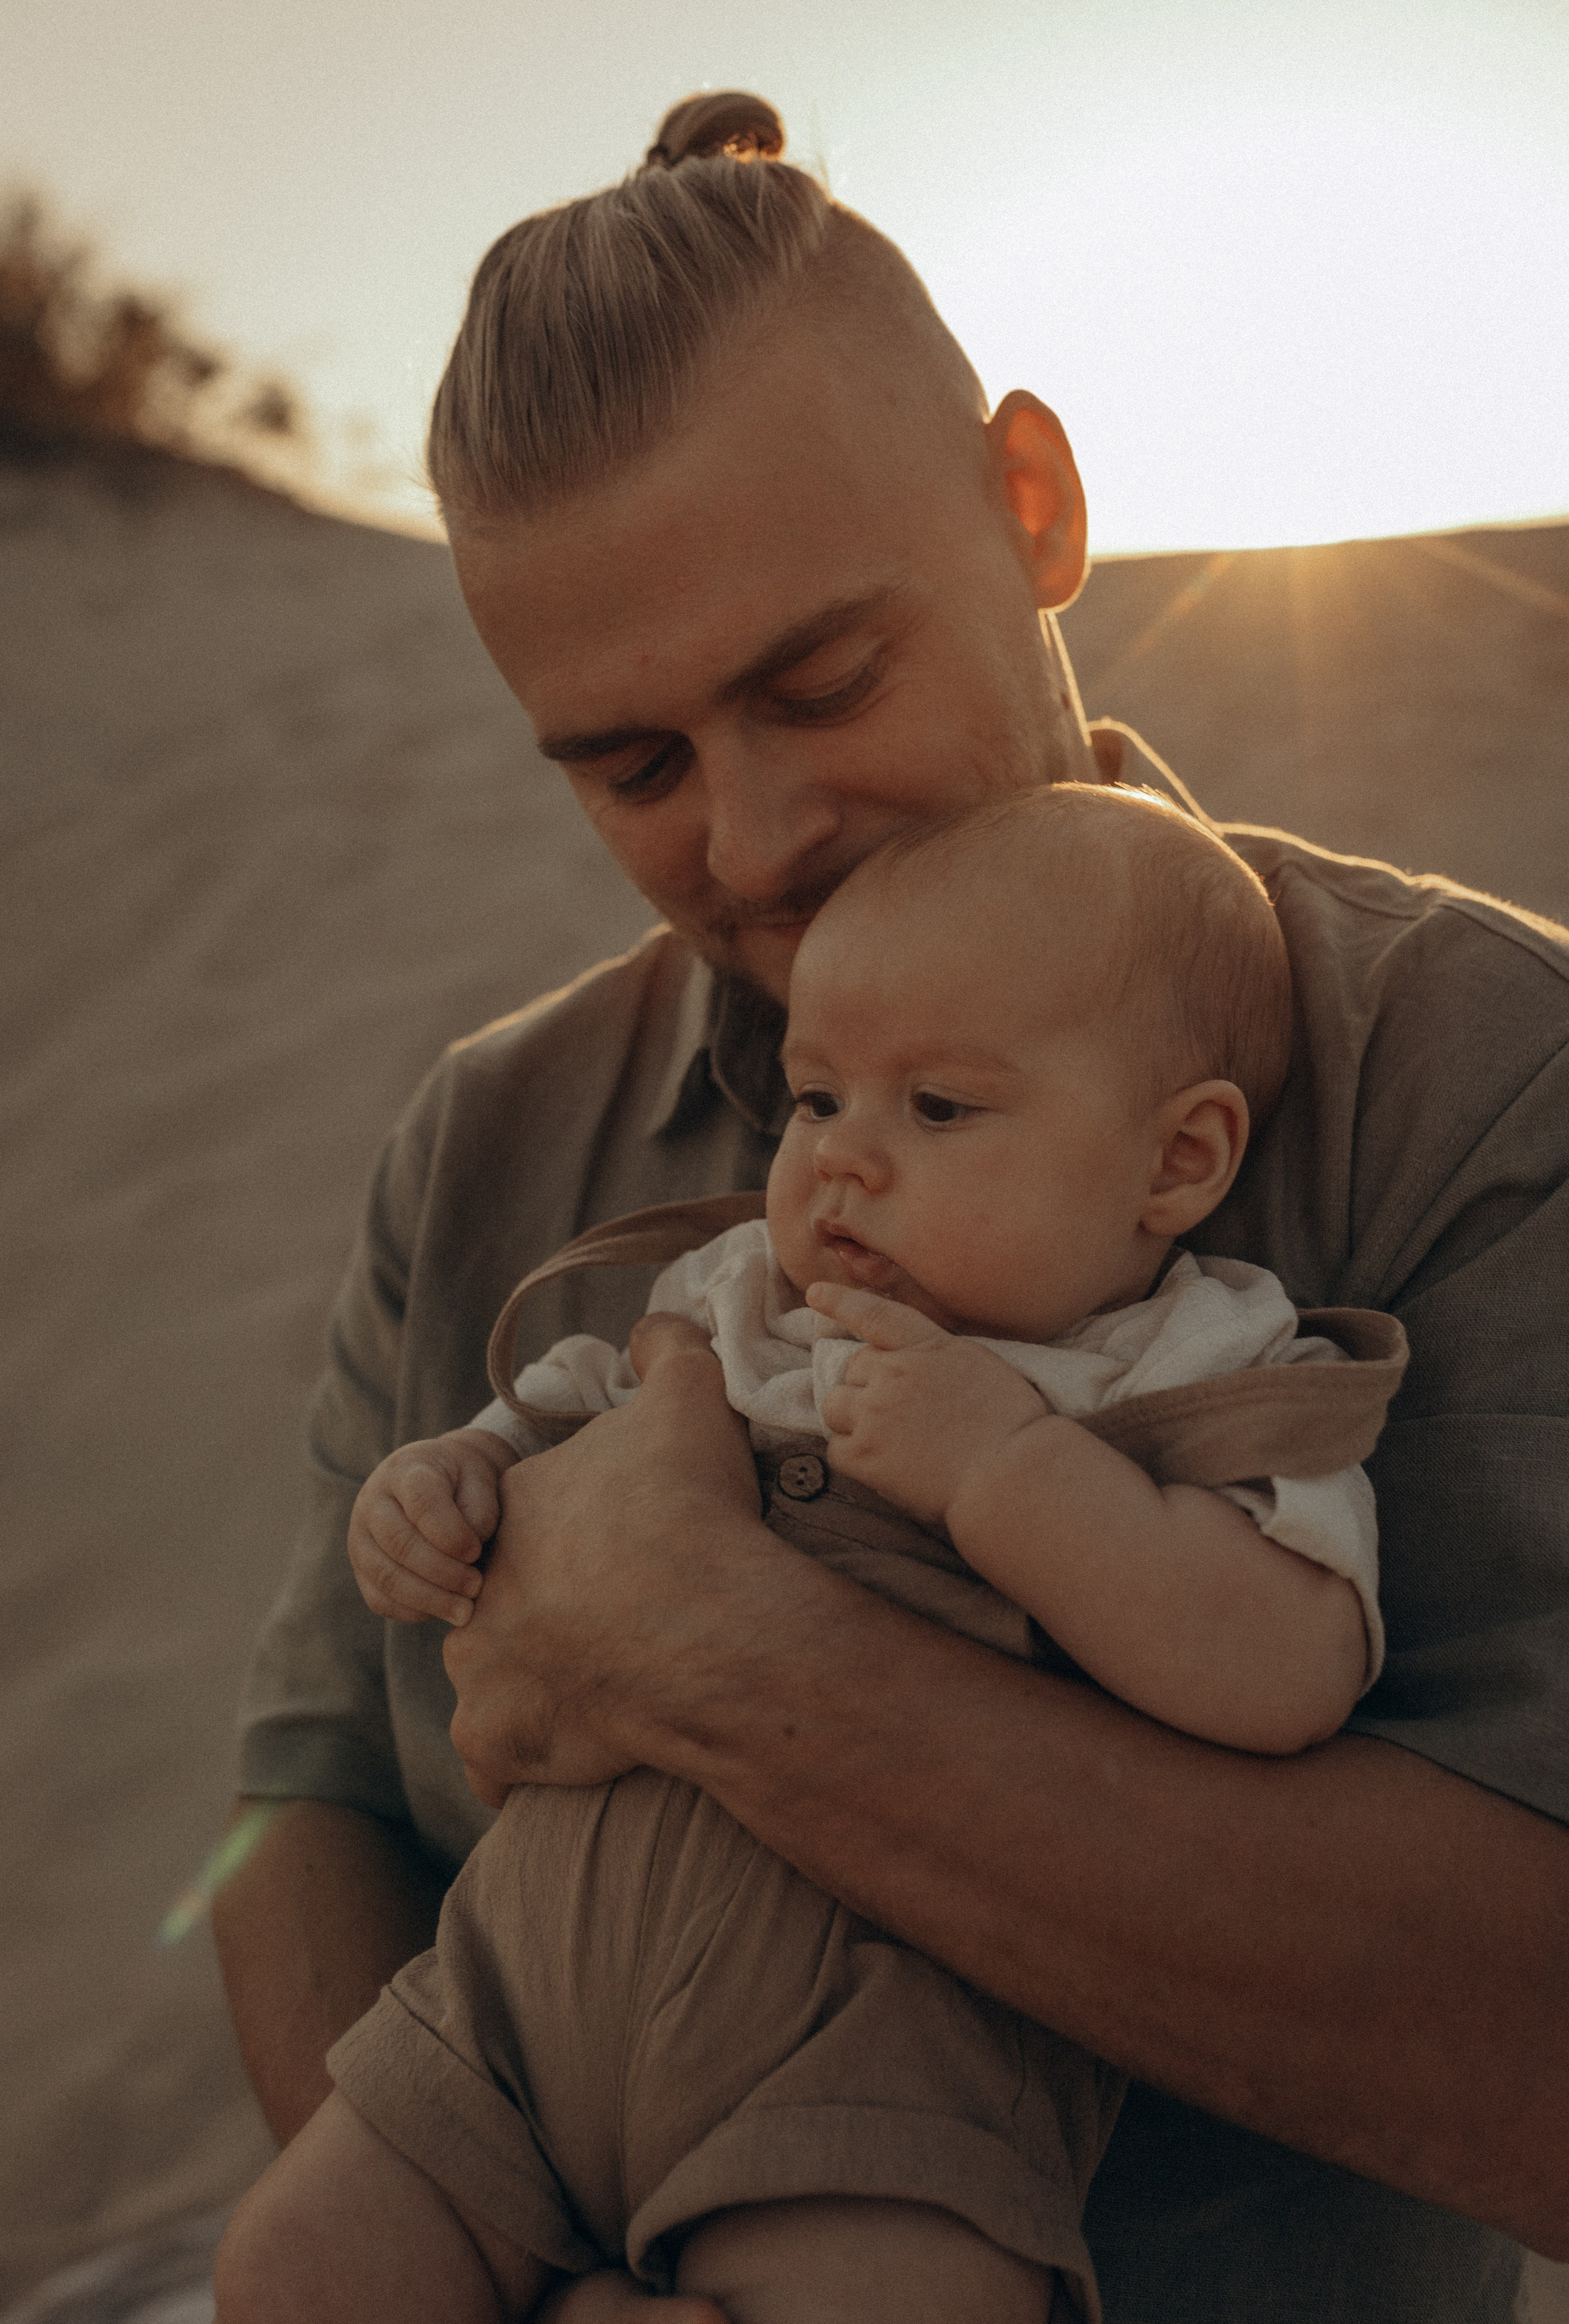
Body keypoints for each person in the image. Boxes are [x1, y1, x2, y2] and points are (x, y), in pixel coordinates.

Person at [213, 91, 1569, 2323]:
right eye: (631, 768)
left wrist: (730, 1659)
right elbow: (298, 1812)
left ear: (1031, 508)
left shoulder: (1473, 1073)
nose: (749, 841)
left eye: (820, 682)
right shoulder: (488, 1139)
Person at [216, 785, 1404, 2322]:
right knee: (292, 2272)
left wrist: (1006, 1470)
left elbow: (1285, 1666)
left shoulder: (1189, 1362)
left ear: (1173, 1163)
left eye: (939, 1109)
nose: (841, 1163)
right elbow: (548, 1415)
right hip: (517, 1992)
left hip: (870, 2062)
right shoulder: (732, 1297)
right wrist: (448, 1478)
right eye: (817, 1099)